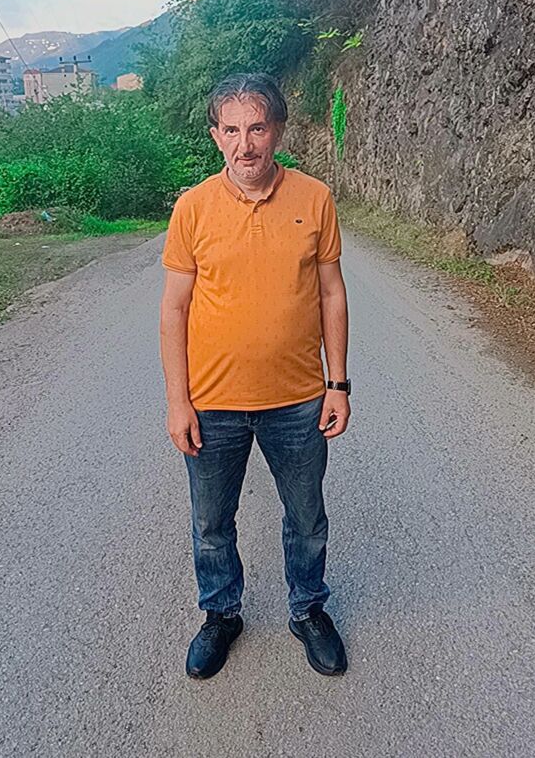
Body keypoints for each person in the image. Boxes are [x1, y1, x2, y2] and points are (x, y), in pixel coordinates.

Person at [159, 72, 351, 679]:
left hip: (298, 400)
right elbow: (174, 309)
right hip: (212, 403)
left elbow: (331, 292)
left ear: (278, 132)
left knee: (307, 518)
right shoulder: (192, 208)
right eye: (232, 129)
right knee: (212, 524)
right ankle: (221, 614)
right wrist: (178, 402)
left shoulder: (315, 198)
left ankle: (308, 609)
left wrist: (338, 383)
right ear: (216, 136)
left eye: (258, 128)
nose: (246, 144)